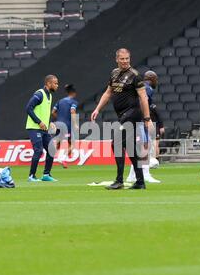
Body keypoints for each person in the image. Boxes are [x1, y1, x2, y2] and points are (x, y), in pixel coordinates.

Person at [91, 48, 152, 190]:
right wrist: (97, 109)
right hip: (123, 115)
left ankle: (119, 180)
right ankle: (140, 182)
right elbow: (108, 93)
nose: (125, 61)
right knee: (130, 148)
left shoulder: (135, 76)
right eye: (122, 59)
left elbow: (143, 97)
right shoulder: (114, 73)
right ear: (117, 59)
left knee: (116, 143)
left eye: (127, 59)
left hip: (132, 113)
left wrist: (147, 118)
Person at [126, 70, 163, 183]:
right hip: (140, 119)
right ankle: (145, 174)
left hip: (133, 117)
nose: (156, 82)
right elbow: (142, 102)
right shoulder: (148, 88)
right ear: (151, 78)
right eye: (155, 79)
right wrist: (147, 119)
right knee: (145, 146)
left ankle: (132, 175)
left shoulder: (142, 87)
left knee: (141, 147)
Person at [25, 75, 59, 182]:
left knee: (51, 150)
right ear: (49, 83)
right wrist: (39, 122)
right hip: (34, 128)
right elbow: (28, 108)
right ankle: (31, 176)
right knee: (38, 151)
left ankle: (46, 175)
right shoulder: (39, 94)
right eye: (55, 83)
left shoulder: (50, 95)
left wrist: (49, 123)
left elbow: (43, 112)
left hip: (44, 129)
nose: (57, 85)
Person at [51, 84, 79, 169]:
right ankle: (63, 159)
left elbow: (53, 112)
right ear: (74, 93)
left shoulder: (60, 101)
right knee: (72, 144)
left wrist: (58, 118)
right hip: (67, 125)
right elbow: (73, 111)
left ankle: (50, 159)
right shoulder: (73, 102)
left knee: (58, 143)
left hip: (58, 124)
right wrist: (75, 124)